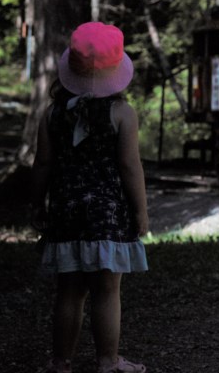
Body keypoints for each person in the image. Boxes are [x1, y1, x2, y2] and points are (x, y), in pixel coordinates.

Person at [31, 22, 149, 373]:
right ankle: (107, 361)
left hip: (66, 211)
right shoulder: (121, 114)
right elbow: (130, 167)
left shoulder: (52, 114)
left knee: (68, 291)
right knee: (107, 291)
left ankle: (61, 362)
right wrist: (140, 211)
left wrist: (36, 203)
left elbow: (42, 164)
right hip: (108, 216)